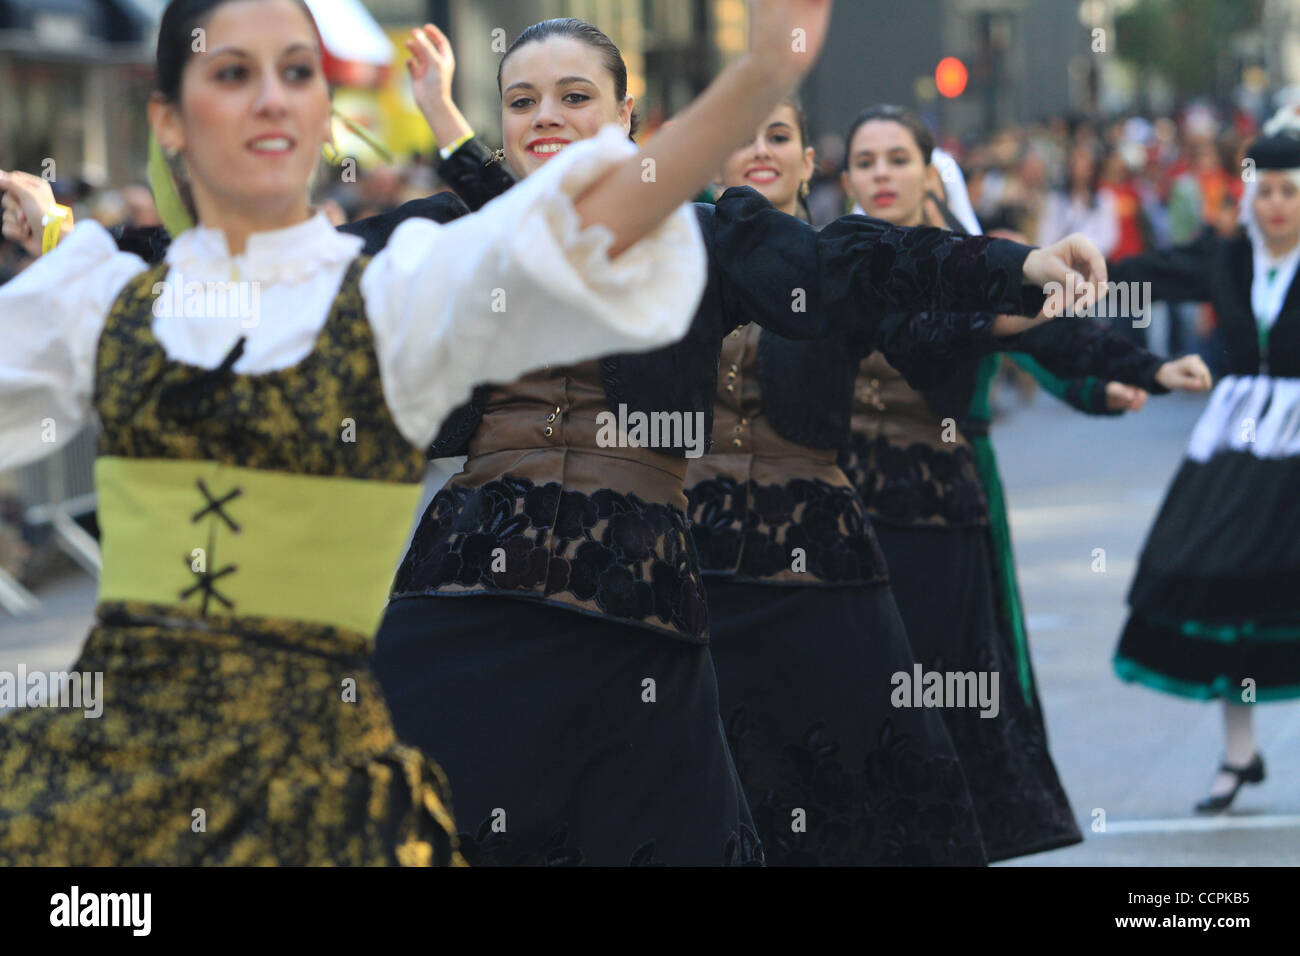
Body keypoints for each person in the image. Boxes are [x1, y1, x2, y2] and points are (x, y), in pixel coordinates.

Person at [0, 0, 822, 865]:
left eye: (297, 72)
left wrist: (759, 77)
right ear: (167, 116)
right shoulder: (97, 296)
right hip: (114, 769)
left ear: (325, 114)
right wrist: (60, 232)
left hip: (323, 792)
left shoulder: (398, 289)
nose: (271, 100)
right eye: (233, 73)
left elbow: (586, 227)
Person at [373, 21, 1109, 865]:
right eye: (521, 101)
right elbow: (290, 273)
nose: (546, 116)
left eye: (574, 97)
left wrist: (1015, 265)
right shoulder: (448, 230)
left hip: (633, 600)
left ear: (628, 117)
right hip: (464, 593)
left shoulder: (706, 236)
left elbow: (852, 266)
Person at [836, 104, 1212, 859]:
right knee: (862, 696)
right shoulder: (827, 259)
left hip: (948, 498)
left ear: (930, 169)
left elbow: (1050, 331)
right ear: (845, 176)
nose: (882, 173)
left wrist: (1134, 372)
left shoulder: (978, 259)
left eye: (897, 159)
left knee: (952, 693)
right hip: (849, 506)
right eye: (866, 160)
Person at [1111, 120, 1300, 813]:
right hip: (1240, 444)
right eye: (1264, 190)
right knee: (1230, 590)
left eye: (1289, 190)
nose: (1275, 203)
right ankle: (1238, 756)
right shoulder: (1228, 258)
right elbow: (1148, 274)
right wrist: (1054, 271)